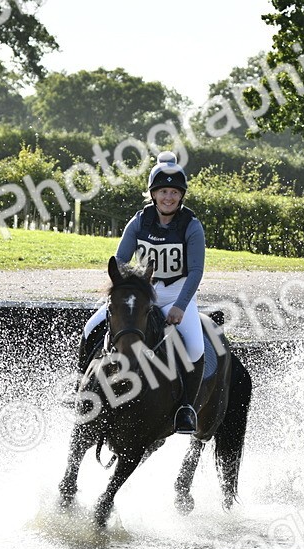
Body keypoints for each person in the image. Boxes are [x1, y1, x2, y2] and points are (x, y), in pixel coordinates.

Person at [79, 151, 207, 434]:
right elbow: (121, 261)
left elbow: (196, 271)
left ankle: (185, 408)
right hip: (142, 293)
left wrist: (181, 306)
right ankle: (79, 386)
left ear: (181, 195)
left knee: (196, 348)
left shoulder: (191, 225)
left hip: (177, 294)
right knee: (91, 327)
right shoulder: (139, 221)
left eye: (174, 192)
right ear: (153, 193)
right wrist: (125, 294)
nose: (169, 197)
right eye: (163, 191)